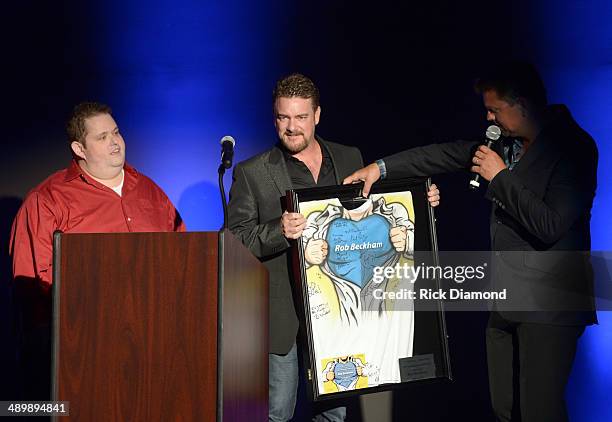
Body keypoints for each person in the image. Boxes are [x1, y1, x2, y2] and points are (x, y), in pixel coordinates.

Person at [343, 61, 598, 422]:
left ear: (522, 105)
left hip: (551, 304)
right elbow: (440, 154)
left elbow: (551, 225)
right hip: (506, 299)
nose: (489, 119)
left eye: (495, 110)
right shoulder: (505, 144)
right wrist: (378, 169)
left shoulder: (573, 147)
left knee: (540, 410)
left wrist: (500, 177)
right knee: (505, 407)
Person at [228, 73, 441, 422]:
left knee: (333, 415)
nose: (291, 127)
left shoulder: (348, 157)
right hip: (283, 318)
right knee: (277, 412)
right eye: (283, 117)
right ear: (274, 117)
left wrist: (420, 203)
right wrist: (277, 230)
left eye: (300, 117)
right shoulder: (252, 172)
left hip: (339, 315)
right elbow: (234, 238)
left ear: (317, 115)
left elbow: (377, 211)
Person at [9, 101, 185, 399]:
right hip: (85, 347)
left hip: (155, 344)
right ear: (80, 149)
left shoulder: (150, 191)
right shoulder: (48, 199)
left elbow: (182, 258)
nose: (115, 142)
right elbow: (33, 283)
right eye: (101, 137)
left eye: (115, 133)